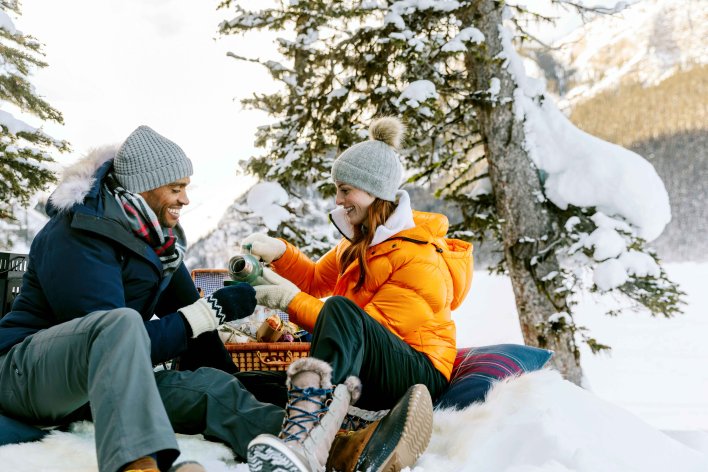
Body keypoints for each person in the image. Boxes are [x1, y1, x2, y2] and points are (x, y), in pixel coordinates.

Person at [0, 126, 287, 472]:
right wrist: (207, 313)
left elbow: (188, 317)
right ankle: (139, 467)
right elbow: (112, 342)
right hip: (23, 374)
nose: (185, 199)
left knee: (213, 390)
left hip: (93, 387)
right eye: (176, 188)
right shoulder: (77, 234)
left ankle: (315, 444)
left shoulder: (156, 244)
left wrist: (233, 375)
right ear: (144, 187)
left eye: (186, 188)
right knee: (121, 324)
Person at [241, 117, 474, 472]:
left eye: (345, 189)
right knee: (265, 382)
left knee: (340, 310)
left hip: (418, 370)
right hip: (375, 358)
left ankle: (308, 447)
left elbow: (359, 330)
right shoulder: (361, 242)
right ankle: (327, 441)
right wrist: (280, 253)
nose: (338, 199)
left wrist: (288, 300)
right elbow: (316, 279)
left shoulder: (419, 257)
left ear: (372, 191)